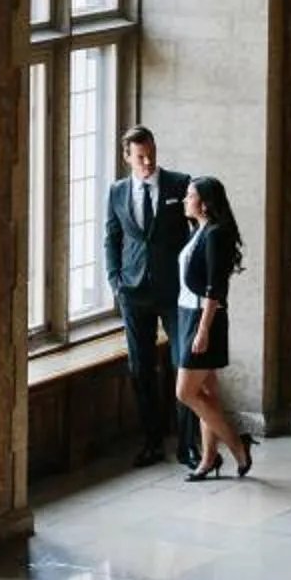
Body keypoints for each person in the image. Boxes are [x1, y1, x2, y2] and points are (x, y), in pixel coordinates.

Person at [102, 126, 194, 468]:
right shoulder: (117, 192)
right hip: (133, 293)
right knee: (141, 369)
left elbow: (195, 232)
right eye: (140, 156)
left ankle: (188, 445)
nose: (148, 161)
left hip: (173, 291)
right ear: (127, 157)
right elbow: (111, 238)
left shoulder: (179, 184)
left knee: (183, 365)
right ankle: (153, 443)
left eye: (151, 154)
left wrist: (193, 280)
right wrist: (115, 281)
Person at [174, 177, 254, 480]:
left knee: (185, 392)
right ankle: (209, 459)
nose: (185, 200)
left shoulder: (216, 234)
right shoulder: (200, 231)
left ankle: (237, 446)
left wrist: (203, 330)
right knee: (207, 391)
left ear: (204, 203)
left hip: (203, 318)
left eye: (190, 195)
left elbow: (214, 288)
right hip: (187, 314)